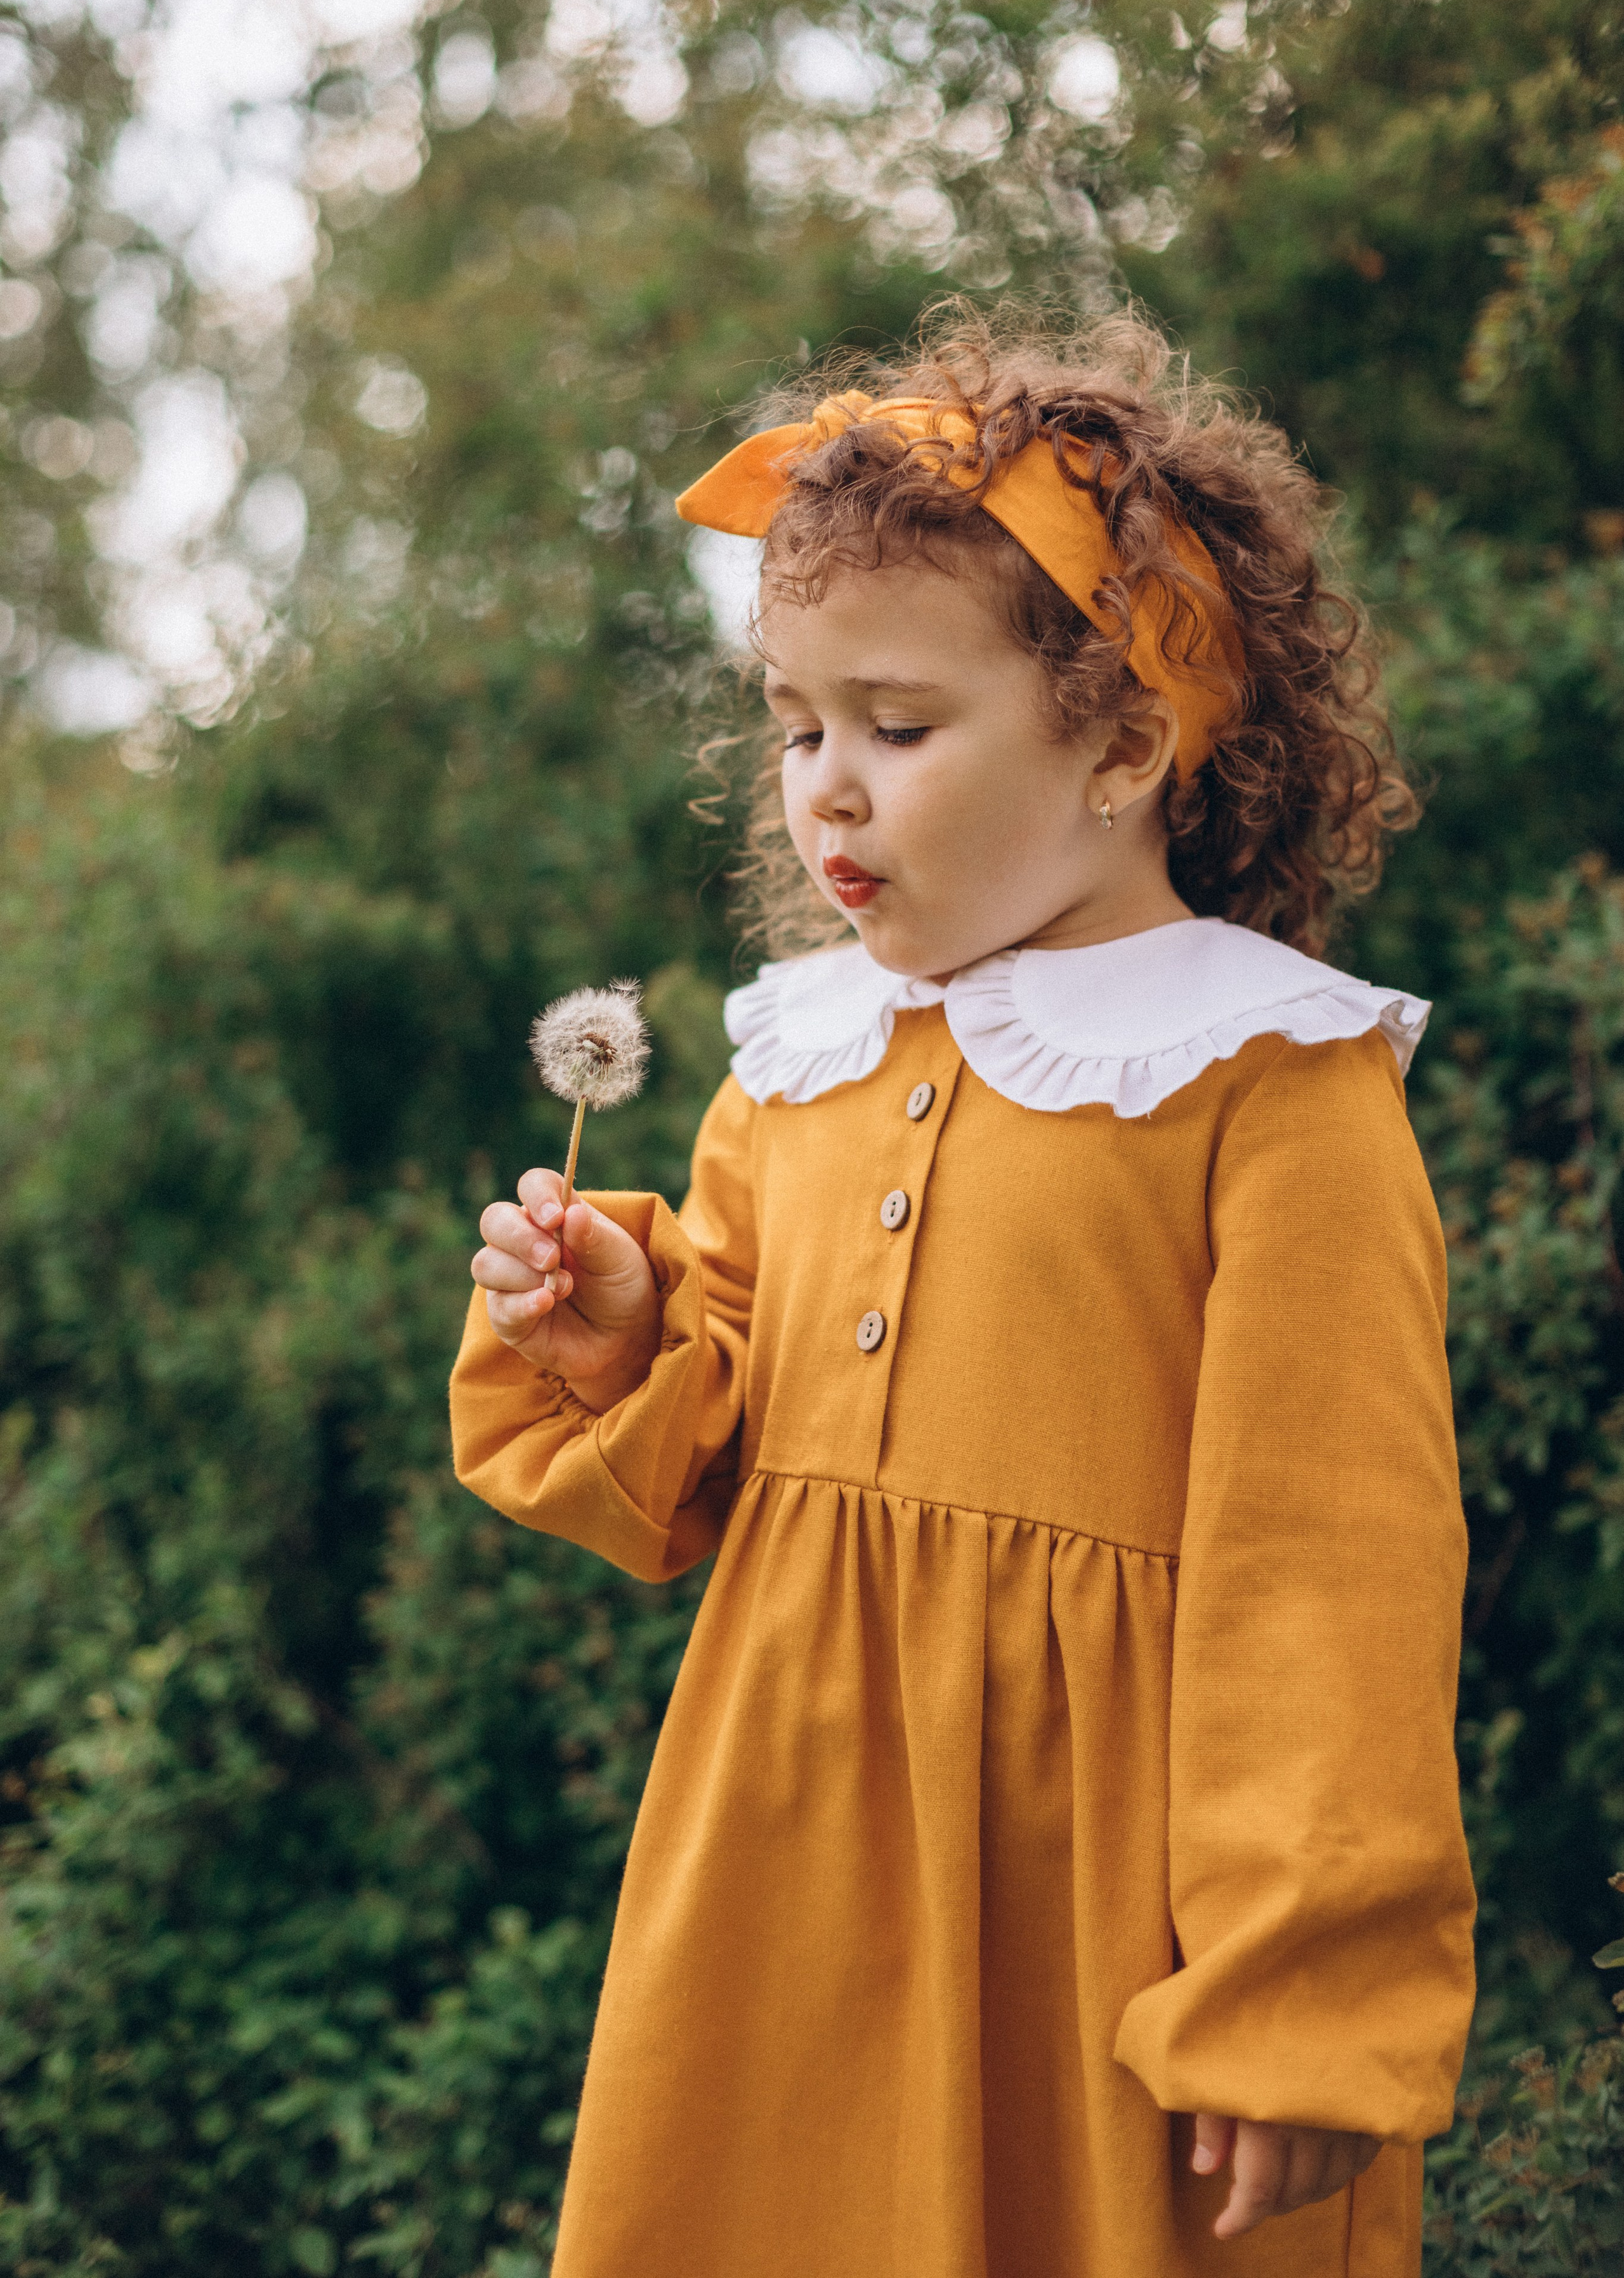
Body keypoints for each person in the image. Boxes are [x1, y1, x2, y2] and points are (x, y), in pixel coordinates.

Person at [451, 312, 1476, 2278]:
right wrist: (631, 1341)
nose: (824, 790)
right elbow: (716, 1440)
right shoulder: (801, 1060)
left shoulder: (1270, 1081)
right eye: (796, 725)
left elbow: (1332, 1576)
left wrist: (1296, 1990)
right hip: (785, 1871)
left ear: (1122, 742)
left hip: (1100, 1918)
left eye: (898, 729)